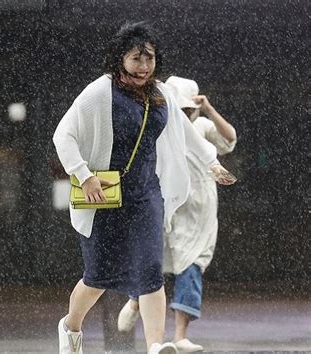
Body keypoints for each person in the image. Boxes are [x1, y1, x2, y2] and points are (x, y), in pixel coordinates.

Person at [52, 23, 236, 354]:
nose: (144, 66)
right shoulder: (100, 92)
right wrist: (83, 175)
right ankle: (70, 326)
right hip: (104, 196)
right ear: (119, 59)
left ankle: (155, 346)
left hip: (146, 194)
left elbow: (186, 132)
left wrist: (212, 162)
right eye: (136, 58)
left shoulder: (160, 93)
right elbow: (63, 135)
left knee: (151, 272)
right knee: (98, 277)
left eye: (149, 58)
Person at [117, 76, 237, 352]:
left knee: (190, 266)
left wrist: (207, 108)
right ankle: (135, 300)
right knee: (151, 257)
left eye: (188, 110)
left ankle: (180, 334)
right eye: (180, 109)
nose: (184, 114)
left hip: (198, 210)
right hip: (164, 201)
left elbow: (229, 139)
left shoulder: (202, 126)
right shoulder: (159, 123)